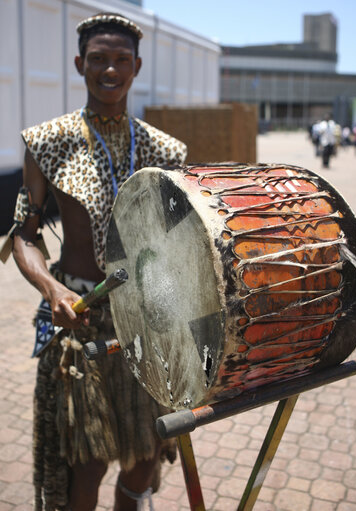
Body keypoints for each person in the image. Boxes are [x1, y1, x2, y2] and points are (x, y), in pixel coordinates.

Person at [5, 12, 187, 511]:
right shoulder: (48, 142)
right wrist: (51, 288)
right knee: (85, 461)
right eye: (99, 60)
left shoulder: (165, 151)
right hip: (81, 321)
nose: (111, 70)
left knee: (146, 451)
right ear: (80, 64)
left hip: (147, 323)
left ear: (137, 66)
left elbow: (178, 243)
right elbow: (23, 236)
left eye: (121, 60)